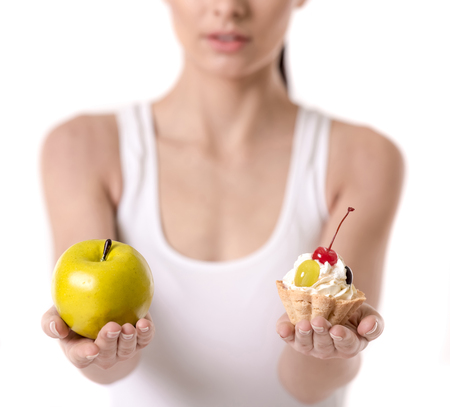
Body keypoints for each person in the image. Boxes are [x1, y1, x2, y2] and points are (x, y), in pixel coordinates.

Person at [40, 0, 404, 406]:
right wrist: (96, 354)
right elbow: (113, 367)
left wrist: (329, 349)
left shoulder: (363, 158)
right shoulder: (81, 149)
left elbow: (309, 386)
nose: (228, 8)